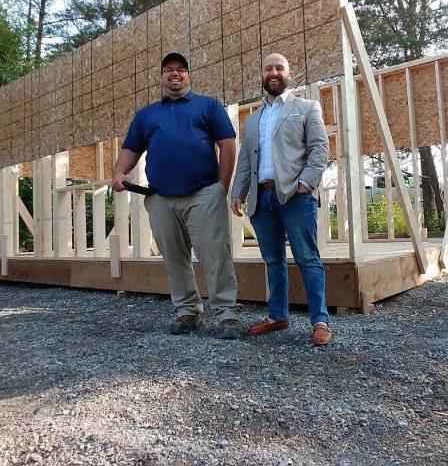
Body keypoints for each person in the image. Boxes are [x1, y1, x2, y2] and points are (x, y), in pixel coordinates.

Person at [113, 52, 243, 340]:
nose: (175, 74)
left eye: (181, 70)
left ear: (189, 75)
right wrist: (119, 173)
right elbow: (131, 149)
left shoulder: (208, 106)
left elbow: (227, 145)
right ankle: (188, 313)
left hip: (204, 193)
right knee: (174, 257)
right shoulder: (147, 114)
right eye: (169, 70)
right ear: (161, 77)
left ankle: (227, 314)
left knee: (215, 255)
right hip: (160, 198)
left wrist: (222, 184)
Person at [230, 53, 332, 345]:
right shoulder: (252, 121)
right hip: (262, 200)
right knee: (273, 260)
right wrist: (239, 191)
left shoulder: (306, 108)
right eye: (268, 68)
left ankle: (320, 321)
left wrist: (305, 184)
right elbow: (245, 162)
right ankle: (278, 316)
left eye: (279, 68)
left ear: (289, 74)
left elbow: (319, 150)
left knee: (307, 258)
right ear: (261, 75)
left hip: (296, 197)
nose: (273, 73)